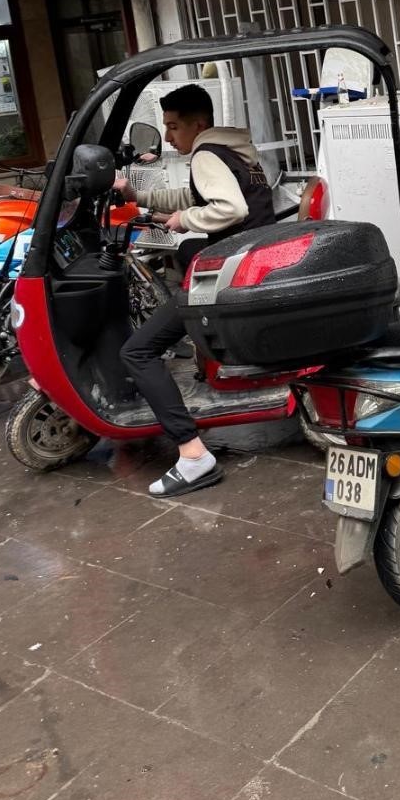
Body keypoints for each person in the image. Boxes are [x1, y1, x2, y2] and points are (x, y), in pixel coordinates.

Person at [117, 84, 275, 497]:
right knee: (187, 253)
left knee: (137, 351)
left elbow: (230, 208)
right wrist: (139, 196)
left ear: (198, 124)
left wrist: (184, 219)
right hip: (251, 261)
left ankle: (192, 454)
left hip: (231, 274)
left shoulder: (206, 154)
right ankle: (203, 363)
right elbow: (193, 193)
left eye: (173, 127)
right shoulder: (234, 151)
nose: (168, 137)